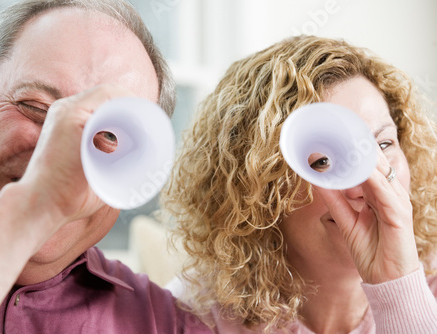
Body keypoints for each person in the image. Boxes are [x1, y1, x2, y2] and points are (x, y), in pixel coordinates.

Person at [0, 0, 212, 333]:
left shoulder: (166, 321)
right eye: (37, 107)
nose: (64, 152)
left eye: (109, 136)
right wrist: (33, 204)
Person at [162, 35, 437, 333]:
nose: (367, 186)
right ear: (257, 191)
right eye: (323, 161)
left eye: (383, 145)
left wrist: (399, 288)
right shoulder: (194, 315)